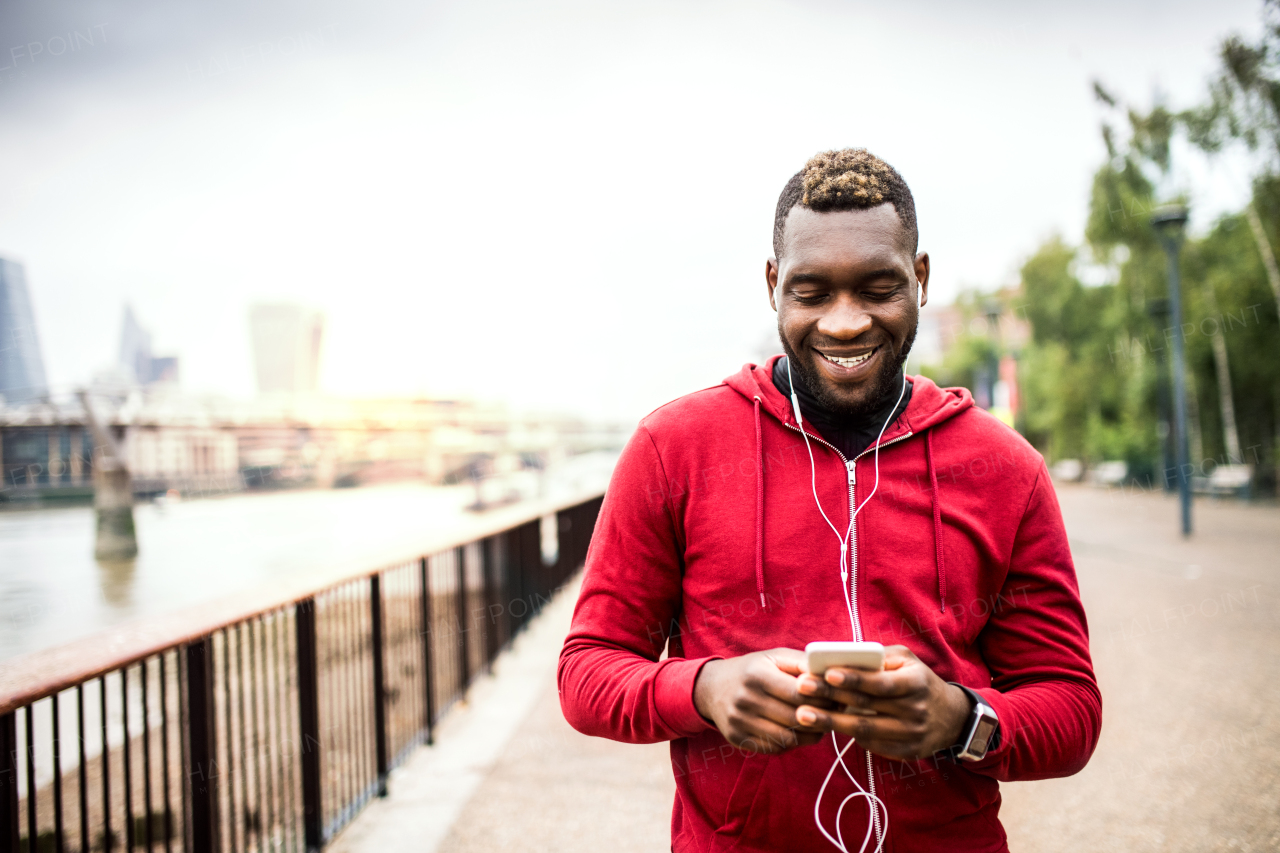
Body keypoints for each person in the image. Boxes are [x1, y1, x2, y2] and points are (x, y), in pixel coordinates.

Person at [558, 148, 1100, 852]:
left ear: (922, 279)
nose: (845, 323)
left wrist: (960, 720)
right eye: (812, 292)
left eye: (879, 287)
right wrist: (704, 689)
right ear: (774, 283)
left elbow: (1071, 708)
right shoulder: (674, 447)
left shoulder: (1005, 469)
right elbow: (588, 670)